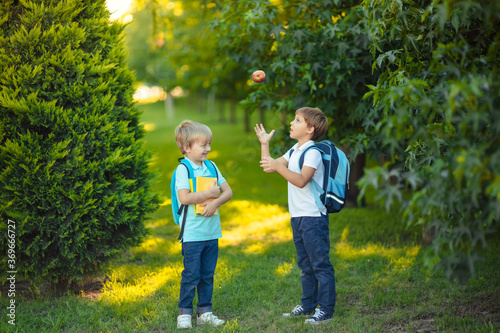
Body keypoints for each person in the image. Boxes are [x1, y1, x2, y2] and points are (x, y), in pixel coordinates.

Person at [254, 107, 336, 325]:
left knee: (319, 263)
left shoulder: (313, 153)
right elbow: (268, 167)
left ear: (310, 129)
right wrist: (264, 144)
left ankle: (326, 310)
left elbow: (301, 180)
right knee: (305, 264)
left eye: (297, 120)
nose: (291, 123)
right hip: (298, 216)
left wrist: (277, 167)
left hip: (313, 217)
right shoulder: (294, 150)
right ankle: (308, 304)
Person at [173, 120, 233, 329]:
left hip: (211, 232)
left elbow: (228, 191)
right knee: (191, 275)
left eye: (209, 144)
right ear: (186, 147)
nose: (208, 148)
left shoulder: (212, 166)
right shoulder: (184, 169)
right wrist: (207, 194)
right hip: (192, 234)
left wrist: (215, 201)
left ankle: (205, 312)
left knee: (207, 275)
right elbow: (184, 198)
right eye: (203, 145)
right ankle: (185, 313)